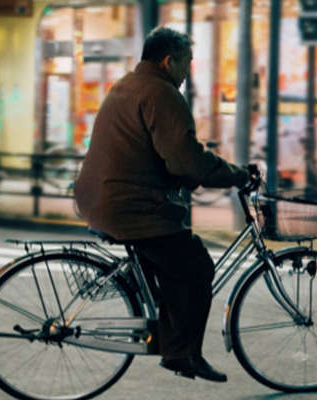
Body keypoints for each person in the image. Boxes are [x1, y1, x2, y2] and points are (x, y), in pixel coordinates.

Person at [74, 28, 247, 383]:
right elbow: (186, 160)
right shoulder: (161, 93)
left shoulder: (127, 85)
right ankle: (183, 353)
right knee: (196, 264)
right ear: (169, 61)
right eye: (187, 63)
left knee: (174, 264)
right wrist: (237, 175)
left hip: (101, 197)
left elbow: (160, 155)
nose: (188, 72)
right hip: (130, 206)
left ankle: (171, 340)